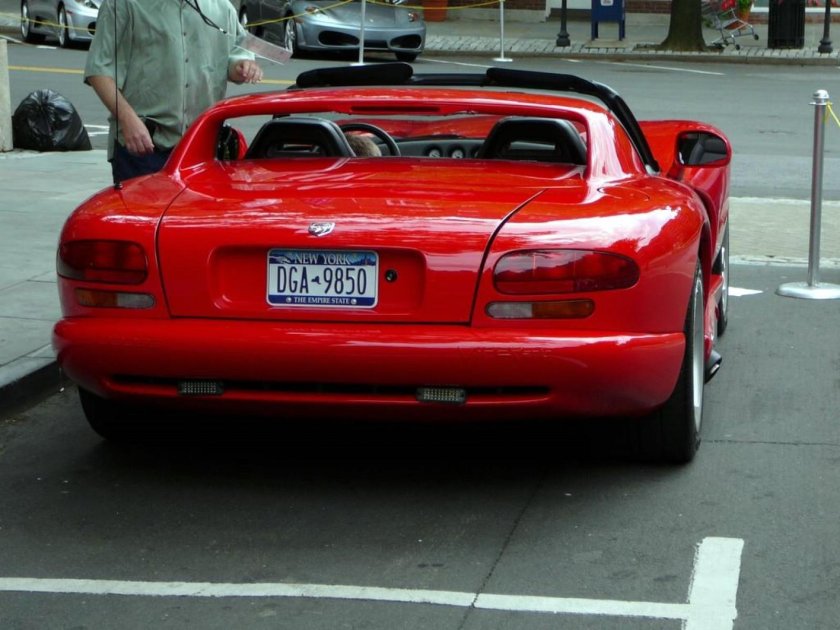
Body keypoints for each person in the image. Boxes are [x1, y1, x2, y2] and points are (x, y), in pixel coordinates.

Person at [84, 0, 263, 184]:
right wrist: (128, 120)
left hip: (201, 149)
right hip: (144, 146)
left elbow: (239, 51)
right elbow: (99, 71)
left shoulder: (221, 7)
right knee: (145, 211)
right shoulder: (123, 5)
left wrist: (242, 66)